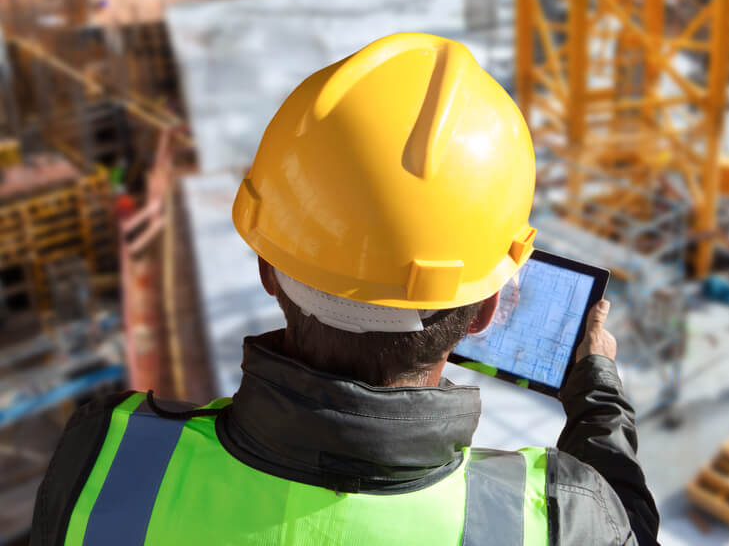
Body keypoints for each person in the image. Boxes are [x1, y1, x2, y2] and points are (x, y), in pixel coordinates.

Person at [31, 34, 660, 545]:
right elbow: (620, 528)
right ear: (486, 310)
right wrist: (597, 396)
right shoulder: (556, 522)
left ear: (267, 270)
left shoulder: (104, 461)